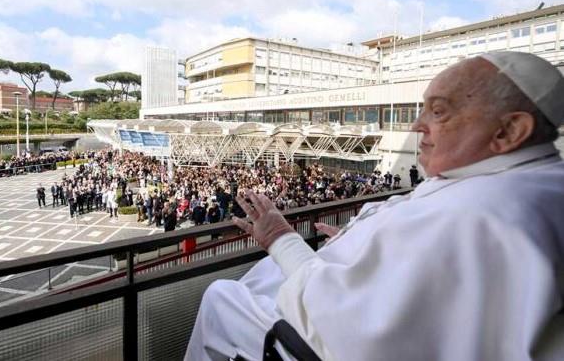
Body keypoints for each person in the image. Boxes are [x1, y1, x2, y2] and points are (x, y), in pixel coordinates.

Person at [185, 51, 564, 361]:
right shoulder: (527, 181)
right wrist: (364, 245)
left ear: (509, 131)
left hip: (319, 342)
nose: (417, 126)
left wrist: (280, 236)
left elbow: (354, 327)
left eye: (439, 111)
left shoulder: (477, 210)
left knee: (222, 296)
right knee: (268, 274)